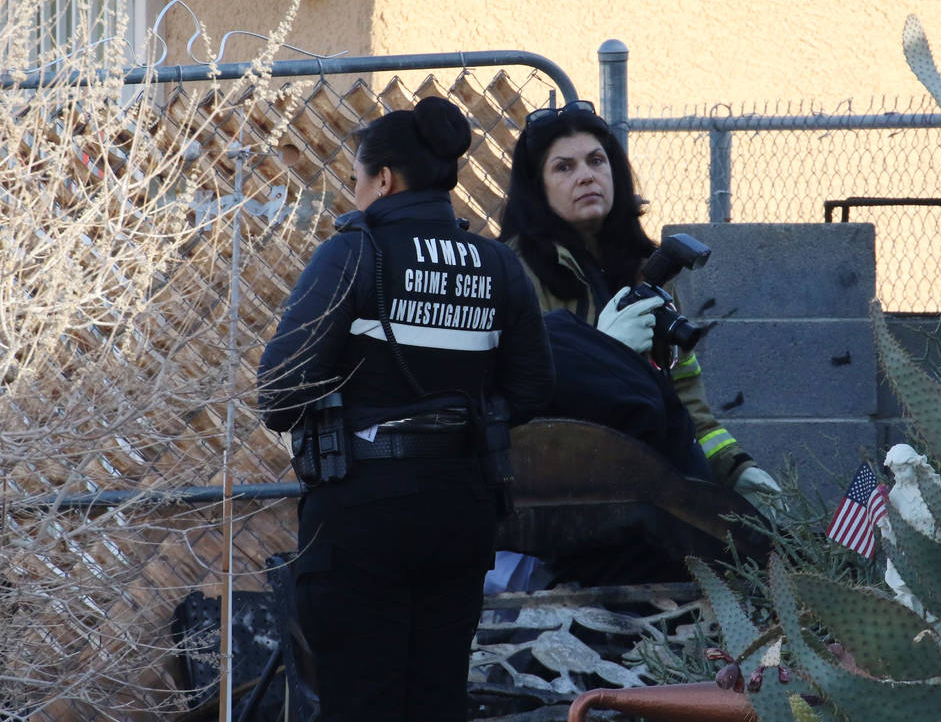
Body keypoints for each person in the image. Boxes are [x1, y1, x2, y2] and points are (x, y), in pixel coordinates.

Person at [256, 96, 555, 722]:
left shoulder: (353, 252)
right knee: (438, 697)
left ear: (384, 179)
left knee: (360, 700)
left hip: (363, 514)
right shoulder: (497, 263)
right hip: (461, 510)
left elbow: (279, 394)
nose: (356, 192)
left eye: (358, 179)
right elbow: (531, 393)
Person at [498, 99, 783, 516]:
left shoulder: (644, 273)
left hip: (655, 478)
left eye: (596, 160)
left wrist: (735, 467)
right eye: (564, 167)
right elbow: (525, 400)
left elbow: (684, 397)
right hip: (568, 493)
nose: (586, 176)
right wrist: (603, 352)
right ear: (537, 188)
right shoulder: (515, 272)